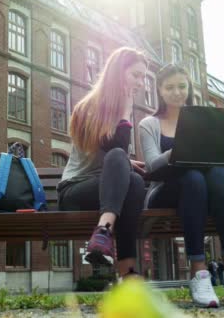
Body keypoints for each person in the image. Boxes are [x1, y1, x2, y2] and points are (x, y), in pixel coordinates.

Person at [139, 64, 224, 307]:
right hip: (165, 190)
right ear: (159, 90)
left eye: (182, 86)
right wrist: (181, 147)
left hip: (204, 188)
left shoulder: (205, 120)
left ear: (189, 88)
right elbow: (151, 165)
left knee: (220, 175)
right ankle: (199, 272)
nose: (177, 92)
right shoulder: (149, 123)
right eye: (169, 87)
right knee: (192, 177)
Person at [57, 47, 147, 280]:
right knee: (119, 159)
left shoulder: (120, 110)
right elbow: (114, 148)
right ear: (118, 72)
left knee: (136, 182)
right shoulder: (89, 107)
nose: (141, 83)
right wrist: (126, 113)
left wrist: (124, 165)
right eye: (136, 75)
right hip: (75, 191)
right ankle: (105, 231)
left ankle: (124, 270)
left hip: (108, 194)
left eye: (143, 77)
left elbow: (114, 151)